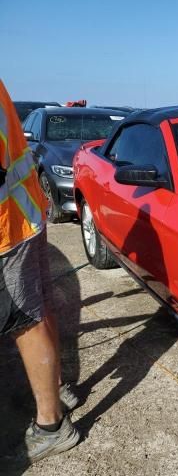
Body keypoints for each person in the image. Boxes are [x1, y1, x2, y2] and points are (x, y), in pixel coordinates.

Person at [0, 79, 80, 462]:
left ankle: (51, 424)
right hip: (23, 214)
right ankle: (56, 389)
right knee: (37, 308)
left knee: (23, 319)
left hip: (7, 227)